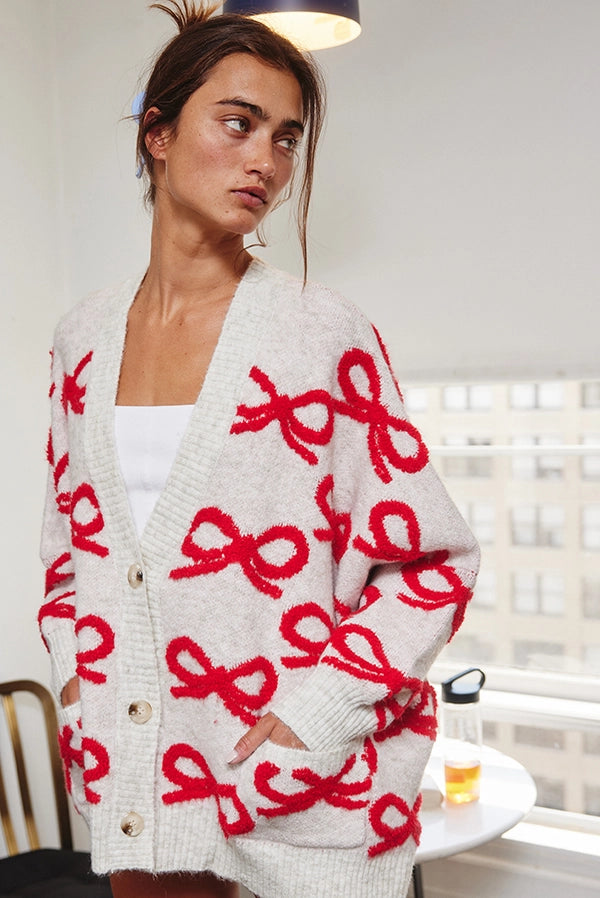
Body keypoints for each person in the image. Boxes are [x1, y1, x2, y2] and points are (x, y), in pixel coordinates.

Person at [39, 3, 480, 897]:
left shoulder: (320, 335)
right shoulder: (81, 338)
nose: (267, 162)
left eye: (285, 138)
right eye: (237, 123)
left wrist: (321, 712)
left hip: (301, 783)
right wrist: (81, 686)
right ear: (158, 135)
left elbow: (433, 562)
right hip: (146, 774)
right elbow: (68, 547)